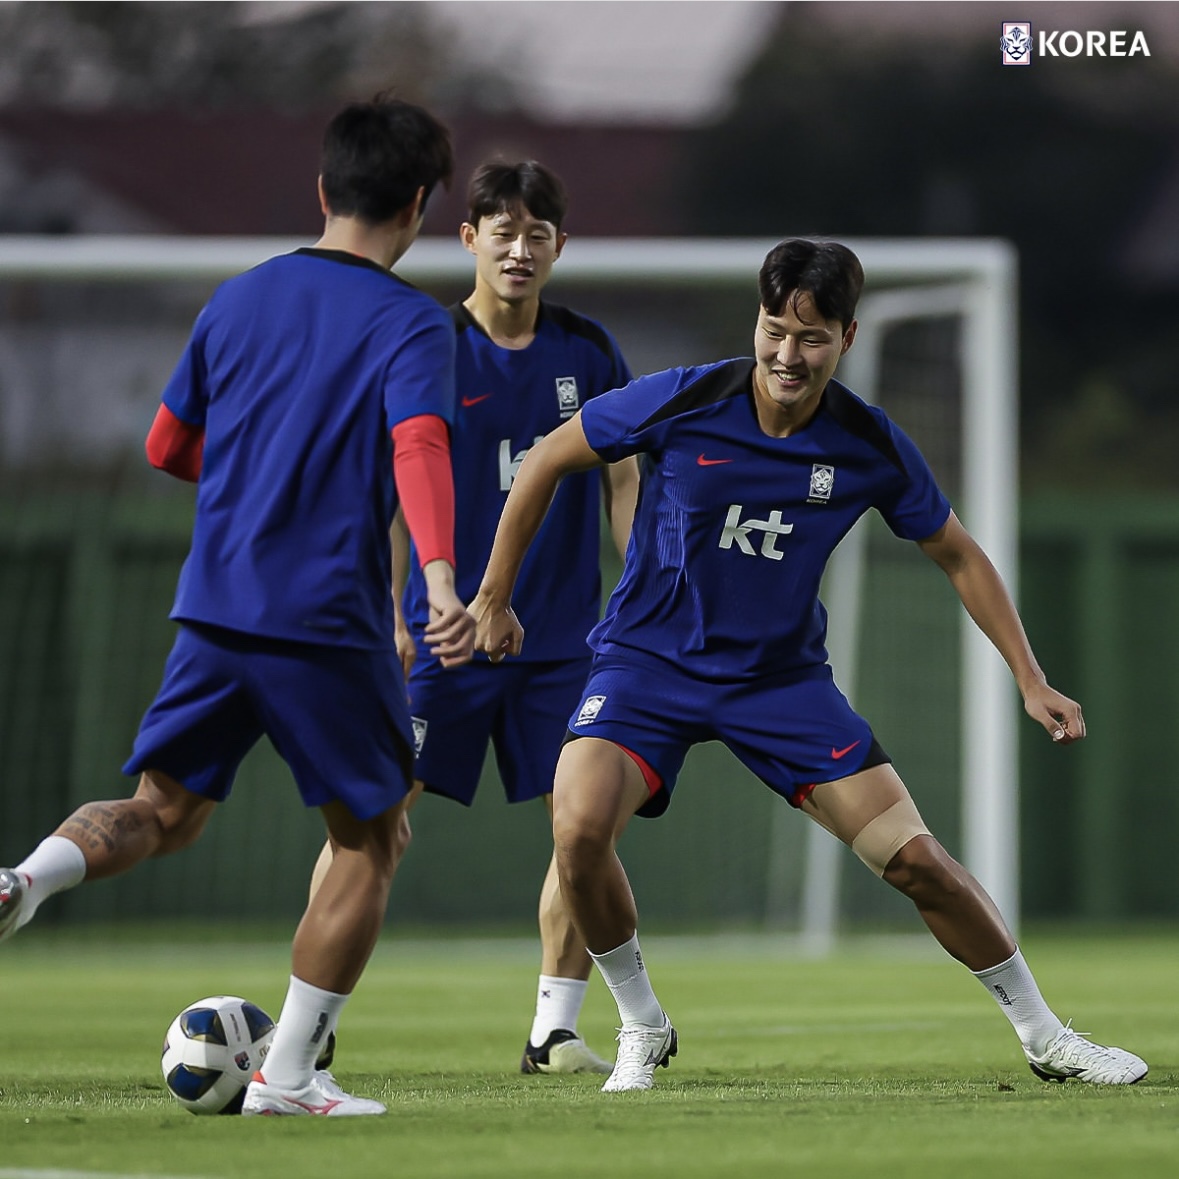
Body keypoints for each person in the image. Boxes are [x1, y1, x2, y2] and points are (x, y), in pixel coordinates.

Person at [469, 238, 1149, 1093]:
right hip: (646, 665)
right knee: (575, 829)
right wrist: (493, 596)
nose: (786, 355)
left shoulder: (866, 442)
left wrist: (1029, 675)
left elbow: (959, 554)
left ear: (846, 337)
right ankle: (641, 1021)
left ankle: (1047, 1036)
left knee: (915, 861)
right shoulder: (687, 396)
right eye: (772, 331)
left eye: (811, 337)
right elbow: (543, 461)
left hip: (779, 683)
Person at [0, 94, 474, 1117]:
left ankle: (25, 882)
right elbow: (419, 449)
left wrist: (257, 476)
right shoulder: (411, 323)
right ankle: (290, 1076)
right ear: (422, 205)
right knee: (374, 834)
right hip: (322, 622)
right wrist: (437, 578)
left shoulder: (238, 299)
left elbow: (166, 448)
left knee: (162, 810)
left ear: (323, 189)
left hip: (214, 608)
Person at [310, 159, 639, 1075]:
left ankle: (554, 1027)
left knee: (584, 826)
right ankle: (312, 1022)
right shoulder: (425, 343)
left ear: (559, 246)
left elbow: (622, 477)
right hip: (441, 633)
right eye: (503, 231)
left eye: (538, 234)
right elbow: (377, 491)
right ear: (468, 240)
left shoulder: (590, 352)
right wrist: (391, 612)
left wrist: (640, 580)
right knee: (371, 816)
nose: (520, 249)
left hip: (566, 639)